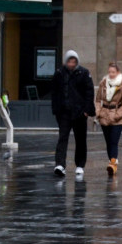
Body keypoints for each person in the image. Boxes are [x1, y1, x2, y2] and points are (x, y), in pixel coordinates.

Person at [51, 51, 95, 179]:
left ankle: (80, 165)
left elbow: (89, 92)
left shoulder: (84, 73)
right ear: (66, 61)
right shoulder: (59, 73)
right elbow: (54, 92)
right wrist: (56, 110)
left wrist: (87, 110)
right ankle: (60, 164)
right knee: (62, 138)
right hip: (64, 112)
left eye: (74, 61)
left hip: (80, 112)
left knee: (80, 139)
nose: (71, 64)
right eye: (69, 61)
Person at [95, 62, 122, 177]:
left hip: (117, 118)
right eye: (109, 72)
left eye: (113, 72)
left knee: (114, 141)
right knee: (108, 142)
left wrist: (117, 115)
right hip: (104, 115)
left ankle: (112, 163)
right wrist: (98, 112)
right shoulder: (103, 83)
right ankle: (113, 162)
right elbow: (97, 100)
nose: (111, 74)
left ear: (118, 73)